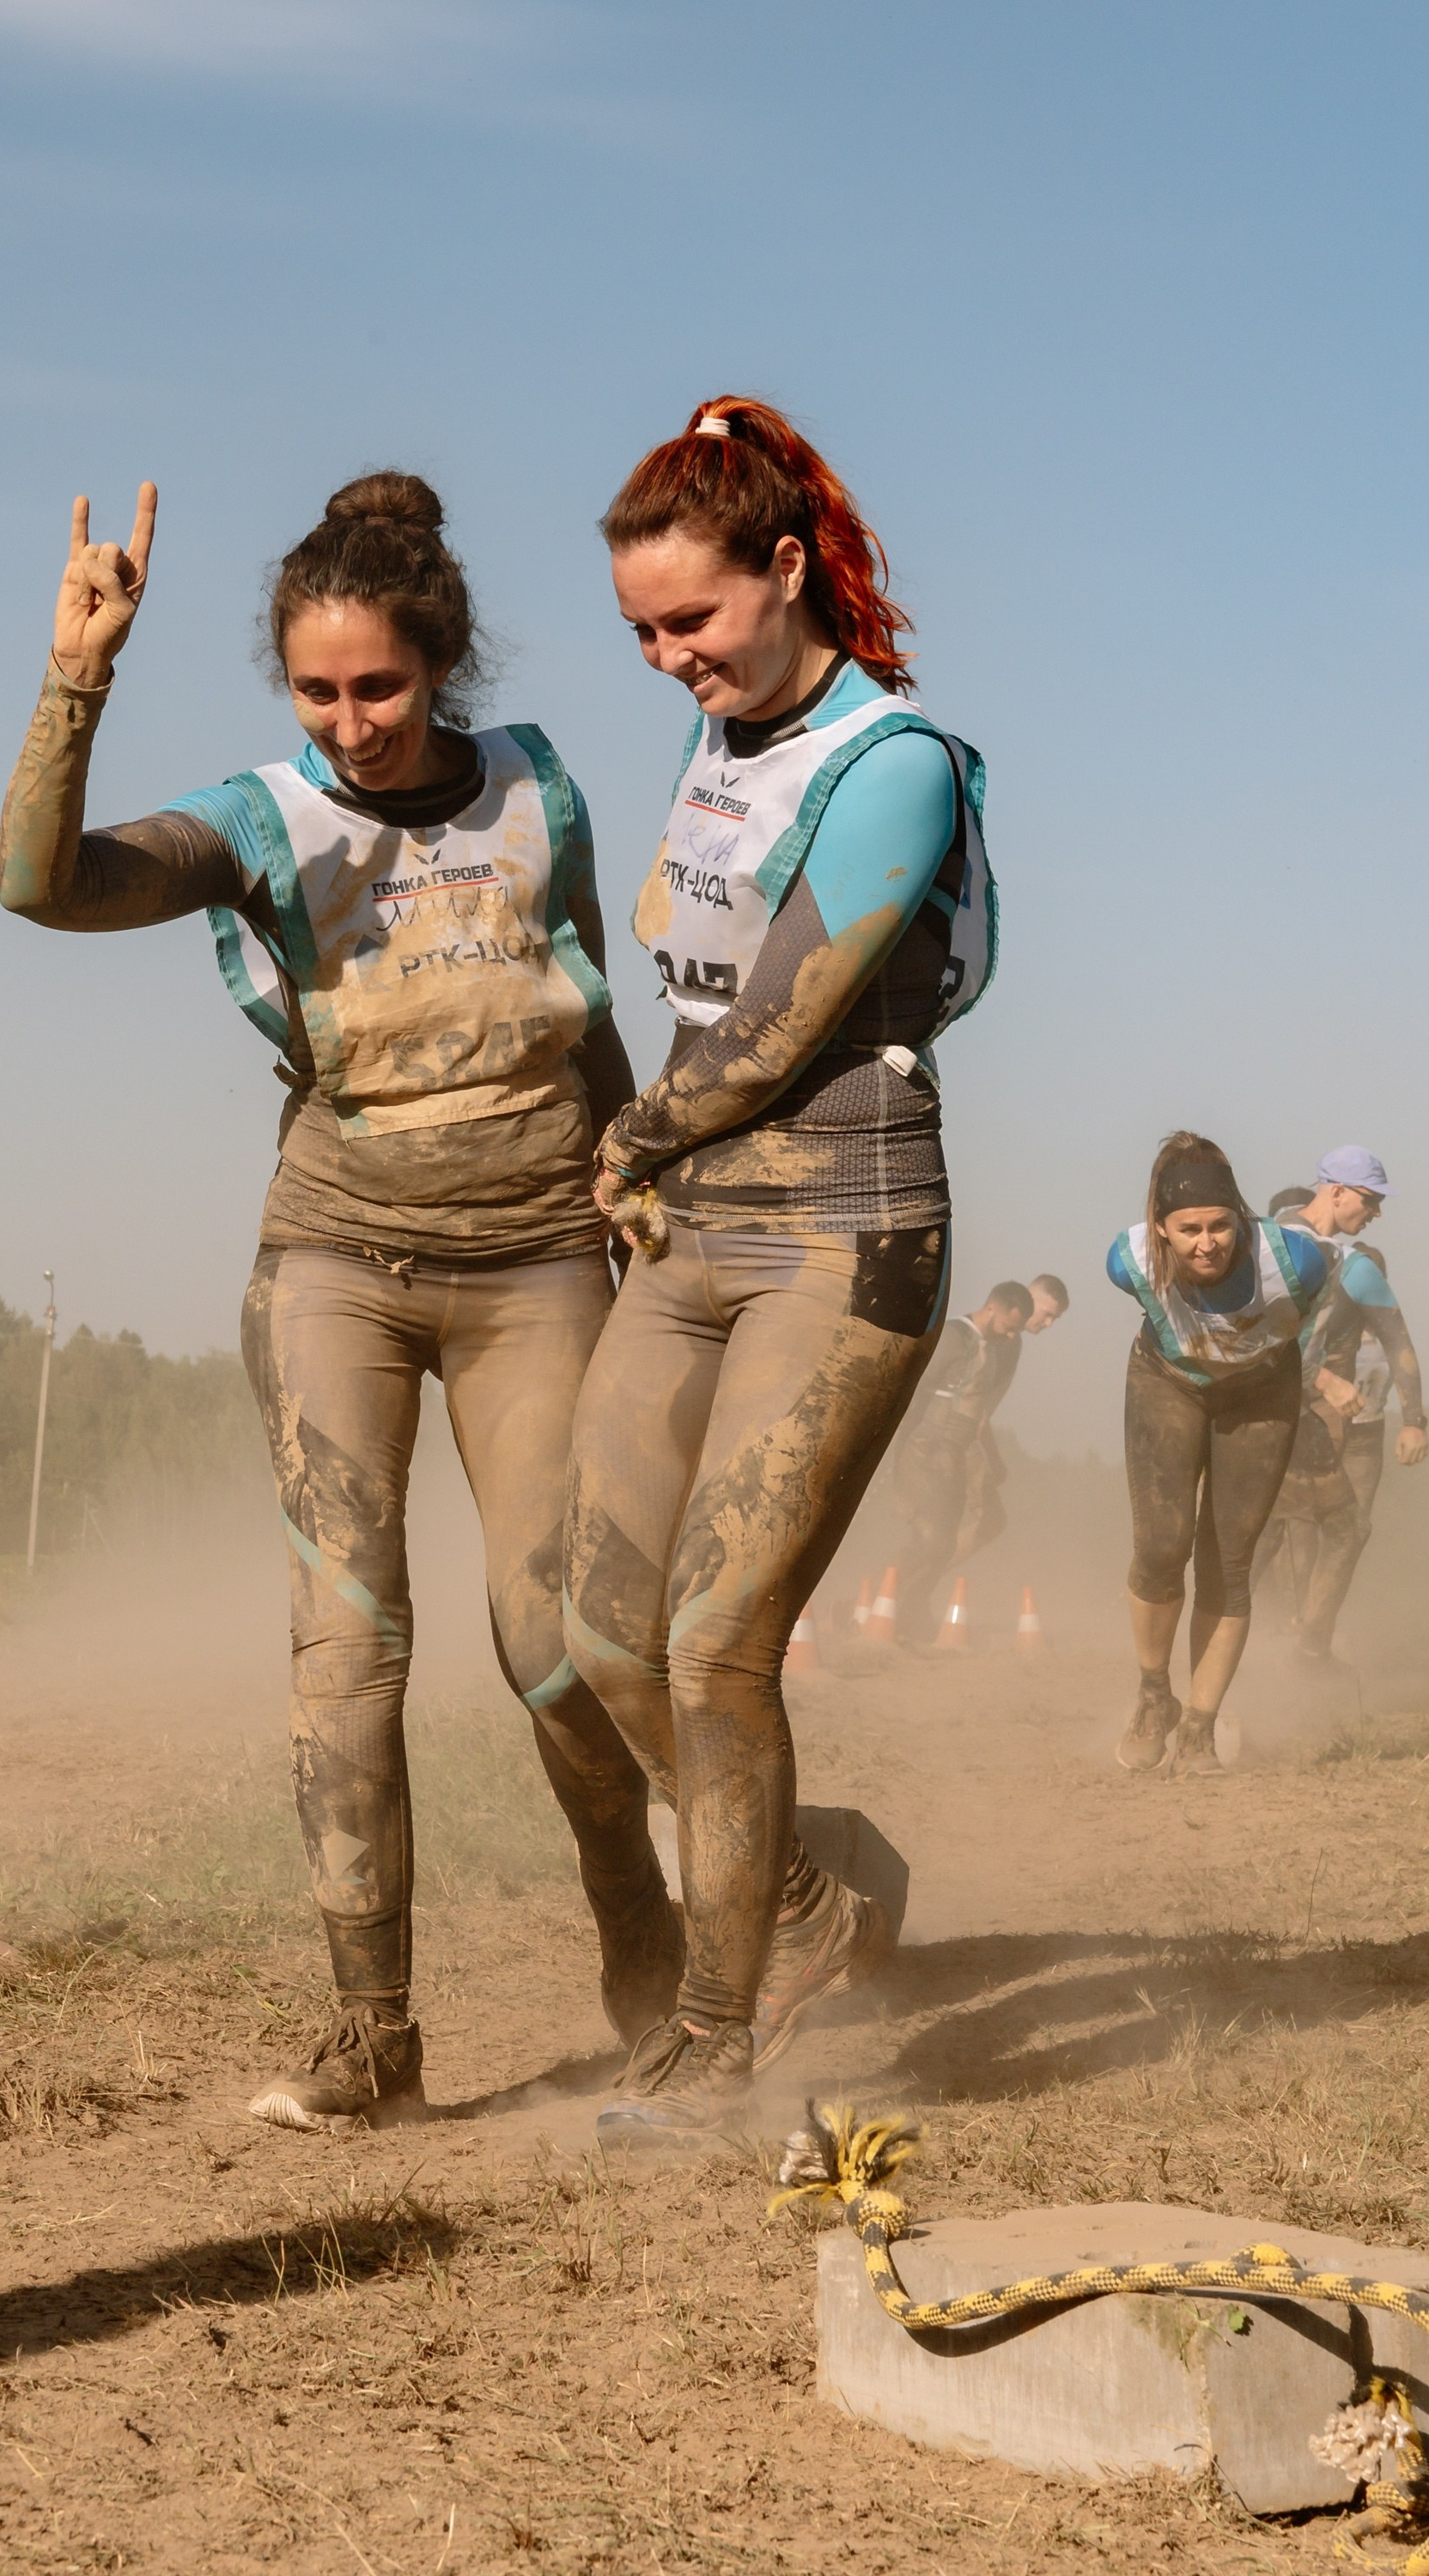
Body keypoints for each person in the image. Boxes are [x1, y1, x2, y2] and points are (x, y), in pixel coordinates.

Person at [0, 474, 680, 2131]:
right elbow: (46, 885)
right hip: (337, 1262)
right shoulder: (259, 820)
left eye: (379, 687)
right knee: (348, 1640)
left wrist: (641, 1159)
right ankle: (371, 2031)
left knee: (560, 1643)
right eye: (317, 691)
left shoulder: (539, 790)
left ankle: (650, 1953)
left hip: (534, 1260)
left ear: (438, 661)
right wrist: (76, 676)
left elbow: (580, 998)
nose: (352, 723)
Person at [559, 394, 999, 2144]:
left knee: (714, 1638)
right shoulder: (721, 739)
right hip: (692, 1225)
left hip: (841, 1223)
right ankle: (809, 1901)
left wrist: (625, 1138)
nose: (671, 658)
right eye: (641, 633)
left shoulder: (890, 760)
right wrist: (653, 1150)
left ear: (788, 568)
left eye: (695, 618)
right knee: (599, 1633)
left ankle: (712, 2044)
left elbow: (775, 1024)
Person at [1109, 1133, 1333, 1778]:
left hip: (1262, 1392)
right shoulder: (1128, 1263)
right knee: (1161, 1545)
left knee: (1228, 1560)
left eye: (1219, 1226)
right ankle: (1156, 1697)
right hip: (1167, 1382)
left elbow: (1303, 1322)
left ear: (1241, 1218)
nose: (1206, 1243)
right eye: (1188, 1230)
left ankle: (1200, 1730)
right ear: (1161, 1229)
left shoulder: (1297, 1261)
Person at [1253, 1157, 1426, 1658]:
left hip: (1309, 1418)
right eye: (1370, 1200)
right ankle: (1278, 1645)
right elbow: (1255, 1337)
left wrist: (1414, 1420)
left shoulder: (1352, 1265)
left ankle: (1300, 1647)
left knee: (1288, 1528)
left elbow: (1399, 1342)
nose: (1375, 1212)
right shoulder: (1278, 1244)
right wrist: (1325, 1379)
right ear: (1336, 1192)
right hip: (1282, 1413)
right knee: (1271, 1529)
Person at [891, 1281, 1033, 1642]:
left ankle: (909, 1609)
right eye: (1010, 1326)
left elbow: (978, 1417)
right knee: (930, 1537)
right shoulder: (954, 1336)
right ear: (992, 1309)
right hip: (924, 1449)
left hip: (952, 1456)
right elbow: (916, 1389)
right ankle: (884, 1605)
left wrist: (993, 1460)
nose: (1013, 1335)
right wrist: (898, 1449)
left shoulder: (989, 1350)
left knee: (946, 1543)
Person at [952, 1273, 1069, 1566]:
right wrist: (994, 1459)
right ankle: (897, 1594)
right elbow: (976, 1411)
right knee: (984, 1522)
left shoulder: (1012, 1343)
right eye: (1048, 1315)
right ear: (1031, 1298)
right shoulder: (993, 1337)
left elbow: (984, 1411)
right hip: (956, 1438)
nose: (1049, 1324)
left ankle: (902, 1594)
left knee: (956, 1526)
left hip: (965, 1438)